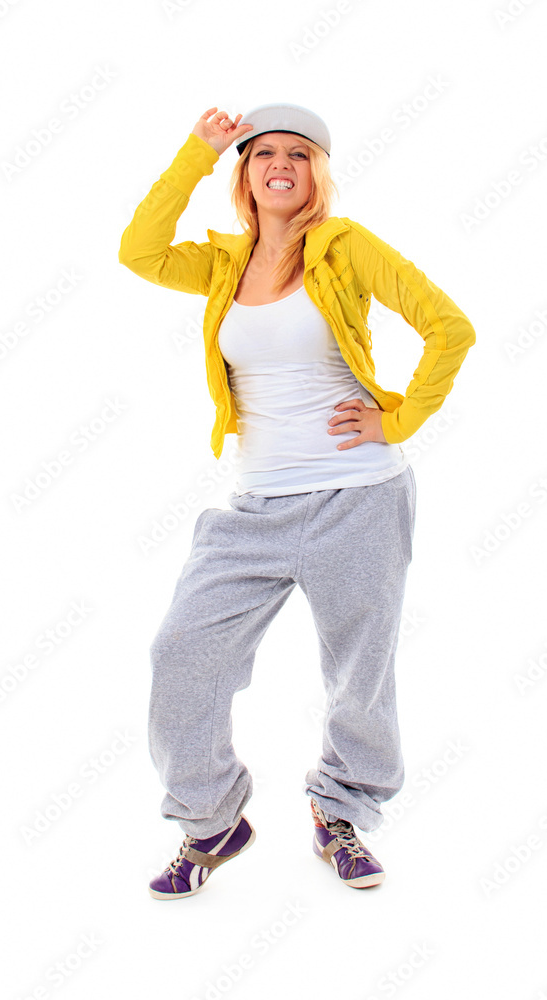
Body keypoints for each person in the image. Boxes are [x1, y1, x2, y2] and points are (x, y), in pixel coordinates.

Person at [118, 103, 476, 899]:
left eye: (298, 153)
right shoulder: (220, 262)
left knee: (358, 674)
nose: (280, 164)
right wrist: (198, 151)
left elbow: (449, 327)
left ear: (318, 172)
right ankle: (210, 820)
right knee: (181, 655)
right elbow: (137, 251)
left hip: (359, 496)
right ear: (244, 173)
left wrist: (396, 419)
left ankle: (341, 812)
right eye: (263, 153)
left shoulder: (346, 246)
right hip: (253, 508)